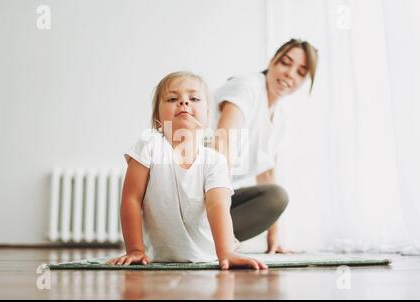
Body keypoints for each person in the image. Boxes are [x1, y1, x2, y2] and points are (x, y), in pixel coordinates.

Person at [107, 71, 268, 270]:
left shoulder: (214, 161)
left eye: (194, 98)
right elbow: (131, 199)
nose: (183, 103)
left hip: (206, 253)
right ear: (157, 116)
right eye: (173, 98)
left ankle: (231, 243)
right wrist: (134, 249)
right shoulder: (149, 145)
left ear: (208, 116)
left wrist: (225, 252)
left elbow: (217, 206)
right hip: (156, 255)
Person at [213, 39, 318, 253]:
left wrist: (274, 237)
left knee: (275, 197)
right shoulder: (247, 87)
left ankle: (205, 239)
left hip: (216, 199)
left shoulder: (280, 114)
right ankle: (203, 239)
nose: (290, 74)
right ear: (272, 61)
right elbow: (223, 145)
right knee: (272, 196)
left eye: (300, 72)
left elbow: (266, 173)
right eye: (285, 63)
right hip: (192, 194)